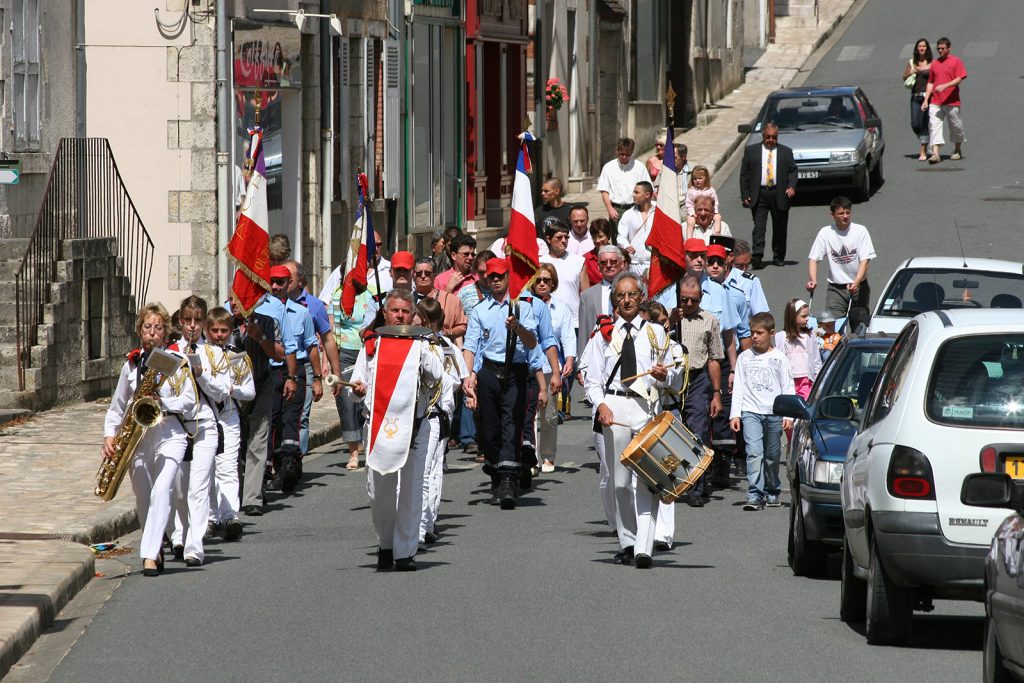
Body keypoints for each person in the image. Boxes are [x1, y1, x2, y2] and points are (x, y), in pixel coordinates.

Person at [583, 272, 677, 568]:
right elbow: (591, 379)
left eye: (632, 295)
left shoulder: (656, 333)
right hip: (615, 408)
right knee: (620, 483)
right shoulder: (604, 335)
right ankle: (628, 540)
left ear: (641, 298)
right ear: (614, 301)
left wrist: (665, 377)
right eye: (620, 295)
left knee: (649, 481)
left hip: (646, 407)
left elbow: (673, 373)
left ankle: (644, 548)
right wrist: (600, 405)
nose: (626, 300)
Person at [349, 289, 445, 572]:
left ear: (412, 314)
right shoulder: (372, 345)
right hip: (379, 427)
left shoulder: (423, 343)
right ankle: (386, 543)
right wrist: (357, 389)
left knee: (412, 491)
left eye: (405, 311)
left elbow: (439, 375)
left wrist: (420, 346)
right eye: (395, 311)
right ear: (385, 313)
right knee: (378, 491)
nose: (400, 315)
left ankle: (405, 551)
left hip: (415, 426)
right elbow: (358, 384)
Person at [101, 303, 198, 576]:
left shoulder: (176, 363)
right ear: (139, 331)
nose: (152, 332)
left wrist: (163, 402)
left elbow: (190, 401)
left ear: (165, 333)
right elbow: (117, 407)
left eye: (157, 328)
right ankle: (155, 547)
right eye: (147, 327)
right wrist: (109, 435)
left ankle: (150, 555)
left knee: (162, 488)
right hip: (138, 437)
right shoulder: (130, 365)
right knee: (143, 496)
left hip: (171, 433)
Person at [462, 257, 539, 509]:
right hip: (488, 373)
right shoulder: (481, 311)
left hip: (515, 371)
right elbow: (471, 345)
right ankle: (496, 471)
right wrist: (468, 374)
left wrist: (517, 327)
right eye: (491, 276)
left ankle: (507, 479)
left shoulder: (521, 307)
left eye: (500, 276)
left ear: (508, 278)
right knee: (488, 429)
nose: (495, 280)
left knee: (512, 425)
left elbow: (531, 343)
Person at [174, 296, 232, 567]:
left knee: (199, 487)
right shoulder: (171, 351)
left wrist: (201, 375)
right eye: (188, 320)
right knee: (180, 489)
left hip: (206, 424)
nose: (193, 326)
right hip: (177, 426)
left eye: (198, 321)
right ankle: (179, 534)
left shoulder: (215, 354)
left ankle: (194, 547)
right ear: (181, 322)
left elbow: (222, 392)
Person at [414, 298, 468, 549]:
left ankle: (428, 521)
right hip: (416, 413)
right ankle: (420, 521)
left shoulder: (447, 347)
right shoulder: (413, 345)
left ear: (429, 321)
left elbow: (458, 380)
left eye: (418, 318)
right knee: (420, 469)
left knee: (433, 468)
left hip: (438, 413)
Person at [670, 276, 725, 508]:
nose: (688, 304)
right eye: (684, 300)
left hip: (697, 378)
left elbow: (713, 359)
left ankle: (696, 487)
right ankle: (671, 482)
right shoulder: (670, 318)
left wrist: (716, 393)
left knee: (699, 432)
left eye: (693, 300)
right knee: (672, 432)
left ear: (701, 298)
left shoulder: (709, 320)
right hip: (672, 379)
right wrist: (669, 322)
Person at [730, 312, 794, 511]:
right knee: (754, 452)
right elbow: (739, 386)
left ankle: (772, 490)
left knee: (772, 455)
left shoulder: (779, 358)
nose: (755, 337)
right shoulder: (744, 358)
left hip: (773, 413)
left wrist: (788, 415)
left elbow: (788, 386)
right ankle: (755, 494)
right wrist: (735, 414)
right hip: (750, 412)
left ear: (771, 333)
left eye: (759, 333)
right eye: (752, 333)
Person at [204, 306, 255, 542]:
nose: (219, 335)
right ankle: (210, 517)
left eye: (224, 330)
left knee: (228, 467)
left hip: (229, 416)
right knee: (207, 468)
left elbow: (250, 391)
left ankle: (230, 515)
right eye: (214, 330)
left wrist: (233, 389)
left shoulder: (238, 357)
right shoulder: (200, 355)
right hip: (205, 417)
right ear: (207, 330)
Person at [285, 260, 339, 457]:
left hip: (305, 366)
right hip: (278, 367)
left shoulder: (314, 306)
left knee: (302, 416)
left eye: (288, 279)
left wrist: (335, 373)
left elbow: (328, 339)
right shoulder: (272, 303)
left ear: (300, 281)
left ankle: (296, 461)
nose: (282, 282)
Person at [806, 195, 876, 334]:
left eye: (847, 213)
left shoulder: (860, 231)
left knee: (859, 326)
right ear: (832, 215)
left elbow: (865, 261)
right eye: (841, 213)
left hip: (858, 287)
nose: (845, 216)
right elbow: (814, 259)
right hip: (835, 288)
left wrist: (856, 283)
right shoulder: (825, 233)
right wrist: (813, 280)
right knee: (832, 328)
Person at [530, 263, 577, 473]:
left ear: (553, 283)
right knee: (528, 416)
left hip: (551, 368)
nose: (542, 283)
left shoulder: (562, 309)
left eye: (546, 280)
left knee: (549, 416)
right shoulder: (524, 305)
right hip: (529, 366)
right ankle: (529, 457)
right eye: (538, 280)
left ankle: (548, 456)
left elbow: (567, 336)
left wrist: (569, 359)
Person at [327, 272, 373, 470]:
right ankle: (353, 452)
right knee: (346, 400)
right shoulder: (337, 296)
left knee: (367, 398)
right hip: (344, 352)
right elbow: (330, 331)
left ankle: (369, 443)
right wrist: (327, 363)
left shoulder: (372, 295)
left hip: (368, 350)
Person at [739, 122, 797, 268]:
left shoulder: (786, 152)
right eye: (768, 137)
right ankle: (757, 256)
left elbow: (793, 171)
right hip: (760, 194)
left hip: (779, 193)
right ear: (763, 136)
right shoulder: (751, 151)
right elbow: (744, 175)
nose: (771, 140)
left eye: (774, 137)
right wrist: (745, 193)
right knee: (759, 227)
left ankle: (778, 256)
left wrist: (791, 186)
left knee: (780, 227)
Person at [922, 37, 967, 164]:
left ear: (949, 48)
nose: (940, 51)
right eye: (938, 49)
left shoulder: (956, 61)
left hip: (952, 102)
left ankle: (957, 150)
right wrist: (926, 99)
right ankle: (935, 153)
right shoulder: (935, 64)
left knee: (955, 126)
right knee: (934, 126)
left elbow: (960, 78)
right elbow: (930, 82)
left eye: (943, 49)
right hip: (936, 102)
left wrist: (945, 86)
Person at [577, 245, 627, 356]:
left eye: (613, 262)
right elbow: (583, 333)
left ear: (622, 264)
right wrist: (580, 365)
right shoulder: (587, 295)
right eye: (604, 263)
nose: (608, 265)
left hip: (627, 350)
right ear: (599, 266)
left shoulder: (635, 290)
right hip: (597, 354)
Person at [597, 137, 652, 225]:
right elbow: (604, 191)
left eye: (627, 155)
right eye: (621, 154)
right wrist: (609, 208)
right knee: (617, 237)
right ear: (617, 150)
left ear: (632, 152)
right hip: (616, 210)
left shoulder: (640, 167)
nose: (624, 157)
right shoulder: (608, 167)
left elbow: (647, 189)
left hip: (635, 208)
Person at [412, 257, 468, 343]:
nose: (423, 276)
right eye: (419, 273)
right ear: (413, 276)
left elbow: (462, 326)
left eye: (427, 273)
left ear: (434, 275)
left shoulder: (452, 300)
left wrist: (449, 332)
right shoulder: (407, 300)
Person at [775, 298, 822, 400]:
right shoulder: (781, 336)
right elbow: (779, 359)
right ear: (793, 316)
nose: (807, 318)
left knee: (804, 406)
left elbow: (816, 359)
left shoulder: (809, 335)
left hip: (806, 379)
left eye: (807, 315)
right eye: (804, 316)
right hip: (789, 380)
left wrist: (818, 377)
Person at [616, 181, 656, 277]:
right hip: (634, 264)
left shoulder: (660, 211)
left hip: (655, 263)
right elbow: (621, 236)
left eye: (637, 192)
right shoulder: (628, 214)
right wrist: (626, 246)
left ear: (647, 194)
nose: (633, 195)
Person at [903, 39, 933, 161]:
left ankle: (923, 149)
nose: (921, 48)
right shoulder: (912, 62)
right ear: (916, 48)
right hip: (915, 96)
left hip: (928, 96)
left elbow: (935, 78)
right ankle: (925, 139)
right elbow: (904, 77)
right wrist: (911, 71)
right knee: (915, 124)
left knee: (924, 122)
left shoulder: (932, 62)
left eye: (924, 46)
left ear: (927, 48)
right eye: (919, 46)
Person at [685, 166, 722, 239]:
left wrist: (714, 212)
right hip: (695, 214)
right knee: (690, 221)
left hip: (710, 213)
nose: (697, 180)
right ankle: (689, 239)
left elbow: (715, 202)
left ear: (706, 178)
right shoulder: (691, 191)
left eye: (700, 178)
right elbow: (689, 204)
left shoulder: (710, 190)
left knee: (718, 217)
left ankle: (717, 233)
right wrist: (692, 213)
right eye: (695, 179)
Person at [583, 218, 613, 286]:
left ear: (608, 235)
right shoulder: (586, 259)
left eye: (600, 236)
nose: (597, 240)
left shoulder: (619, 254)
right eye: (594, 237)